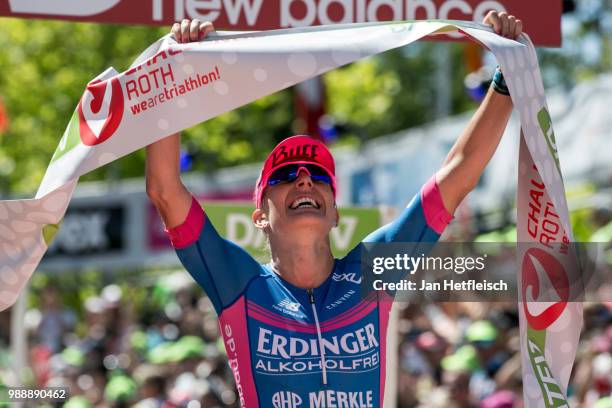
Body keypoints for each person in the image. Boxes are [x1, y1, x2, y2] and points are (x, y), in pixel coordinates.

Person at [146, 11, 523, 408]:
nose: (305, 179)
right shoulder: (238, 281)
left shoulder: (369, 272)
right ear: (259, 217)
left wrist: (503, 80)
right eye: (286, 175)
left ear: (335, 214)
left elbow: (456, 176)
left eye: (318, 176)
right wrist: (171, 77)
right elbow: (165, 191)